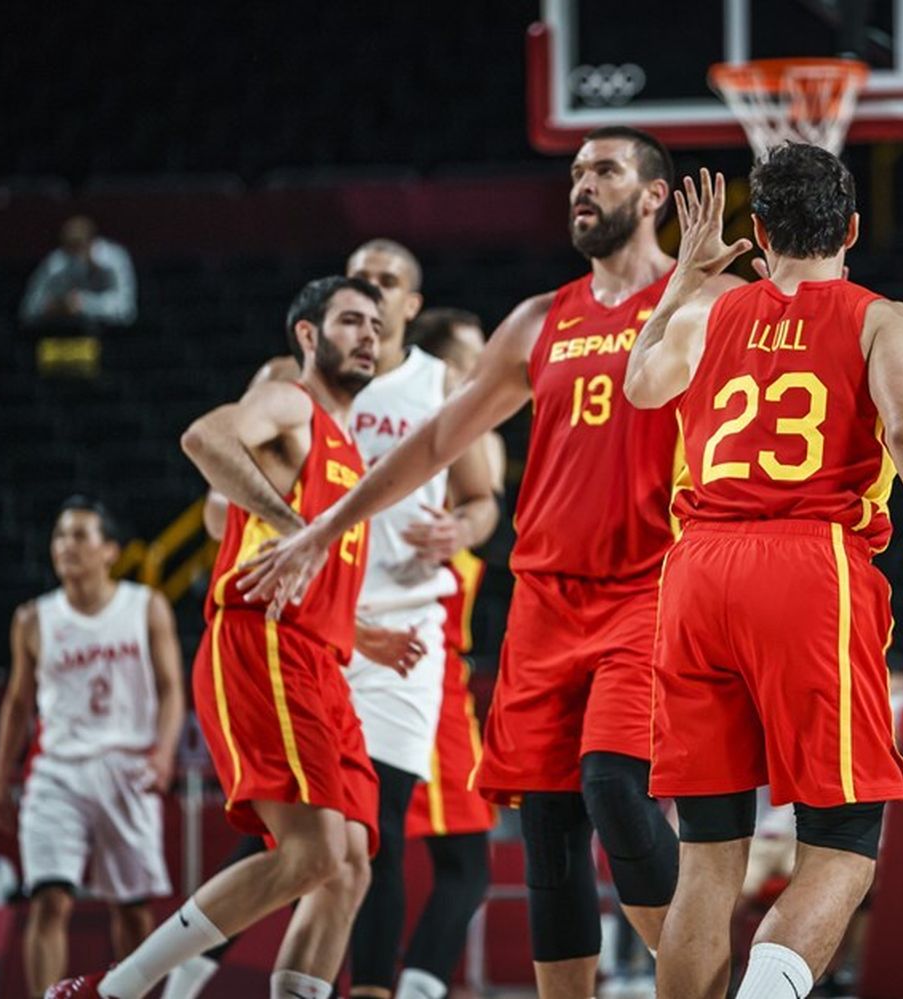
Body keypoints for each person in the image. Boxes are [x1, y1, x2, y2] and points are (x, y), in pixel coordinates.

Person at [239, 126, 744, 998]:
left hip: (651, 589)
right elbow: (438, 439)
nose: (582, 185)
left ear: (657, 195)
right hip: (545, 601)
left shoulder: (711, 299)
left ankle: (705, 984)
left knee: (614, 790)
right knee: (547, 828)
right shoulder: (540, 319)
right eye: (577, 172)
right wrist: (326, 527)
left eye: (606, 170)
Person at [621, 149, 903, 999]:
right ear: (853, 228)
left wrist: (678, 284)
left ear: (760, 231)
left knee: (708, 851)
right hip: (808, 564)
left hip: (696, 573)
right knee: (845, 843)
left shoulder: (707, 310)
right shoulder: (884, 318)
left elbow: (638, 387)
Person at [46, 276, 411, 999]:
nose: (368, 335)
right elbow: (204, 436)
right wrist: (291, 523)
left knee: (350, 864)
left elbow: (311, 568)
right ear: (308, 336)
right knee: (309, 854)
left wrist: (358, 630)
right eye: (349, 321)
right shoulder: (290, 399)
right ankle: (114, 991)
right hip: (266, 643)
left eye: (376, 323)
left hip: (322, 658)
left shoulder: (350, 450)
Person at [170, 244, 498, 999]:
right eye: (357, 289)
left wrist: (463, 530)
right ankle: (169, 980)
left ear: (410, 307)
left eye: (386, 289)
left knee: (363, 835)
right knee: (309, 841)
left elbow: (484, 500)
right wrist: (274, 517)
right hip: (308, 619)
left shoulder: (444, 384)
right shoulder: (294, 386)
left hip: (401, 633)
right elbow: (220, 478)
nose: (370, 300)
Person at [0, 496, 184, 997]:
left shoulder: (145, 605)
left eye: (79, 535)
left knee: (132, 907)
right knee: (49, 900)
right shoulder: (33, 618)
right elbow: (17, 703)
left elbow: (171, 689)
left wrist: (163, 753)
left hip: (127, 765)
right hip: (58, 770)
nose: (66, 546)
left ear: (110, 550)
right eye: (59, 536)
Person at [398, 307, 504, 999]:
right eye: (471, 360)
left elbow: (488, 504)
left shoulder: (464, 438)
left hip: (433, 666)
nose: (484, 372)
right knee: (462, 863)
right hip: (411, 667)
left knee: (324, 861)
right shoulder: (429, 434)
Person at [19, 216, 138, 330]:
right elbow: (28, 310)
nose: (75, 254)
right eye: (70, 248)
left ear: (91, 242)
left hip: (111, 336)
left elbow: (126, 310)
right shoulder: (55, 264)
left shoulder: (114, 259)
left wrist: (84, 304)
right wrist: (55, 307)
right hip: (61, 334)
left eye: (79, 246)